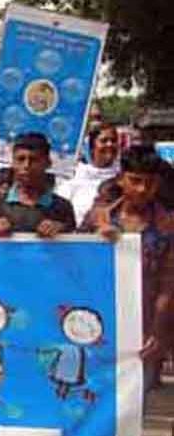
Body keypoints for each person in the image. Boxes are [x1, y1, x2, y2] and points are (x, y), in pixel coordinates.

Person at [82, 146, 174, 390]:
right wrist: (96, 242)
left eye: (150, 183)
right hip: (97, 324)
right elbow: (74, 264)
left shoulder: (168, 226)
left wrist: (157, 332)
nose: (142, 190)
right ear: (121, 179)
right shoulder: (98, 219)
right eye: (135, 181)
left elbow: (168, 285)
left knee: (133, 404)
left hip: (145, 328)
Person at [0, 133, 76, 237]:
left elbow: (76, 242)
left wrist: (60, 229)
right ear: (13, 163)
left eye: (34, 160)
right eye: (20, 159)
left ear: (48, 163)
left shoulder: (62, 207)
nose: (26, 165)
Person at [57, 124, 120, 226]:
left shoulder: (125, 179)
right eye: (104, 141)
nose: (110, 144)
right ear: (92, 147)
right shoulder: (72, 182)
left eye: (113, 140)